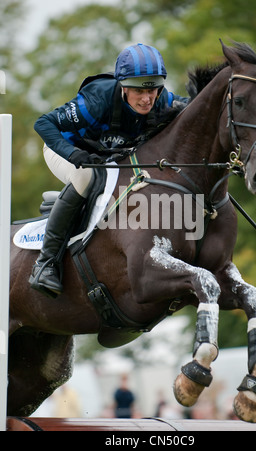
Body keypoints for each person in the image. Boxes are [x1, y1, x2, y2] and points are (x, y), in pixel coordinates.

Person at [29, 43, 189, 298]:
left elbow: (196, 109)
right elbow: (43, 123)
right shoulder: (97, 99)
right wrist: (72, 153)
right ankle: (45, 264)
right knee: (85, 177)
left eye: (154, 89)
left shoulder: (162, 100)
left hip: (106, 157)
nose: (148, 98)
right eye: (139, 90)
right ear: (123, 85)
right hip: (65, 150)